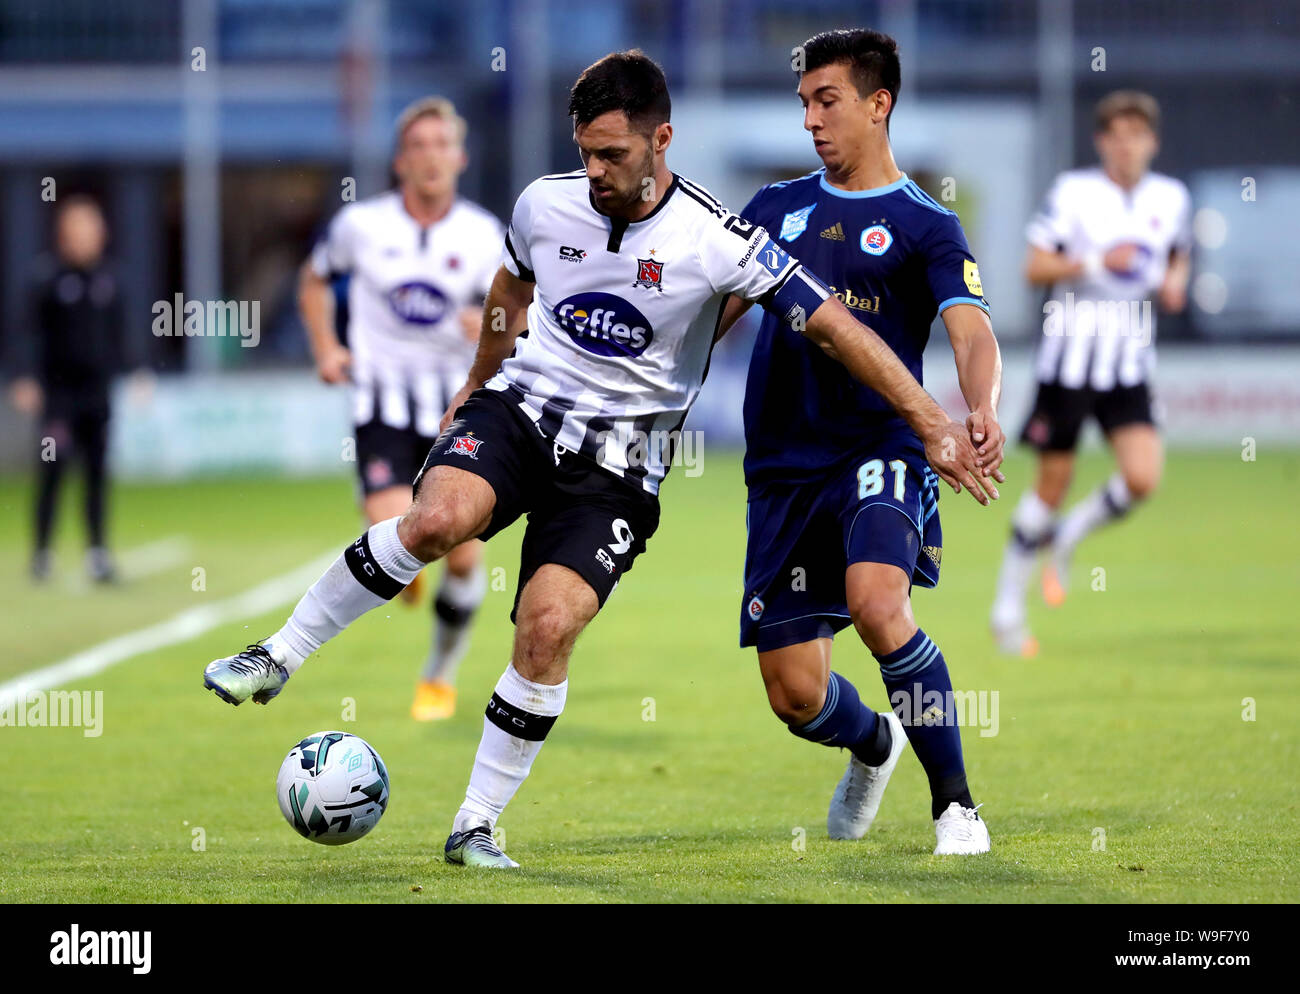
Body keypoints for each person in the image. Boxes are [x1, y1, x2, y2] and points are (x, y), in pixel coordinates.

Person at [202, 50, 990, 869]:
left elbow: (835, 327)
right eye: (585, 151)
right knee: (439, 519)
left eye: (612, 154)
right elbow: (510, 292)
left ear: (662, 141)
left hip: (619, 469)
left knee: (547, 629)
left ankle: (474, 825)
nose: (595, 170)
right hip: (521, 414)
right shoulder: (546, 204)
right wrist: (474, 387)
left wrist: (935, 421)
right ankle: (277, 655)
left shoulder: (717, 238)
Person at [718, 29, 1004, 855]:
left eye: (827, 100)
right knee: (793, 693)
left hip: (880, 448)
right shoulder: (773, 210)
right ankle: (875, 743)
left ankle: (957, 807)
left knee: (881, 604)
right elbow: (709, 321)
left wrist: (976, 404)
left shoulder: (925, 223)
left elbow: (970, 328)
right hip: (780, 465)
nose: (810, 118)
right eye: (804, 102)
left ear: (879, 104)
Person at [300, 97, 502, 720]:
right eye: (419, 145)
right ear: (400, 161)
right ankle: (408, 574)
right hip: (383, 408)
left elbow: (516, 317)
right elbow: (312, 279)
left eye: (443, 144)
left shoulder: (484, 235)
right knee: (397, 542)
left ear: (460, 157)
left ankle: (439, 673)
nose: (432, 156)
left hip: (456, 410)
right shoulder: (362, 227)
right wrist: (328, 348)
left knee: (464, 553)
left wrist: (488, 324)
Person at [990, 90, 1191, 657]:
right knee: (1050, 485)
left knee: (1144, 477)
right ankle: (1007, 610)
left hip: (1130, 362)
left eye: (1137, 135)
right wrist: (1100, 261)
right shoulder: (1075, 193)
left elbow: (1178, 253)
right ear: (1102, 141)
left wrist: (1175, 280)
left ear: (1152, 142)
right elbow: (1034, 266)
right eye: (1116, 135)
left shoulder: (1170, 197)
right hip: (1070, 358)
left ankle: (1071, 536)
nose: (1127, 146)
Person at [8, 195, 128, 584]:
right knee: (53, 468)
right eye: (78, 229)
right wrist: (25, 376)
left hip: (98, 393)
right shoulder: (46, 279)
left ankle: (97, 553)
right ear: (64, 234)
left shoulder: (110, 280)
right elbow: (27, 332)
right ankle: (42, 552)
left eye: (92, 228)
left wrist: (137, 369)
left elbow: (121, 336)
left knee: (97, 471)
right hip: (59, 397)